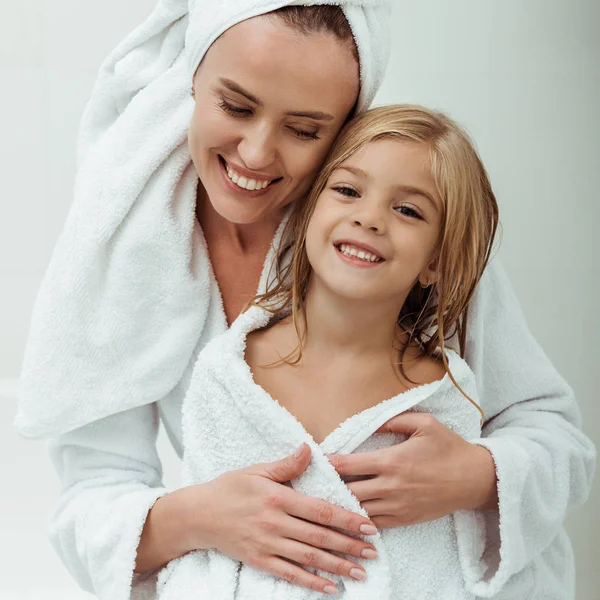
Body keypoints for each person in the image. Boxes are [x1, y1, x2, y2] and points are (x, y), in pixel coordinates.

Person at [13, 1, 595, 600]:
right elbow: (93, 490)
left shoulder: (391, 236)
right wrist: (200, 517)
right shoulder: (127, 238)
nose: (257, 153)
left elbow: (555, 438)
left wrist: (478, 476)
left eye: (304, 130)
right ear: (192, 80)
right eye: (235, 106)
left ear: (347, 127)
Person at [155, 103, 501, 599]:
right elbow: (208, 553)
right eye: (347, 190)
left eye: (408, 210)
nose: (369, 218)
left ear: (437, 262)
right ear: (308, 213)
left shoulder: (442, 395)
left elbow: (443, 563)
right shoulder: (230, 370)